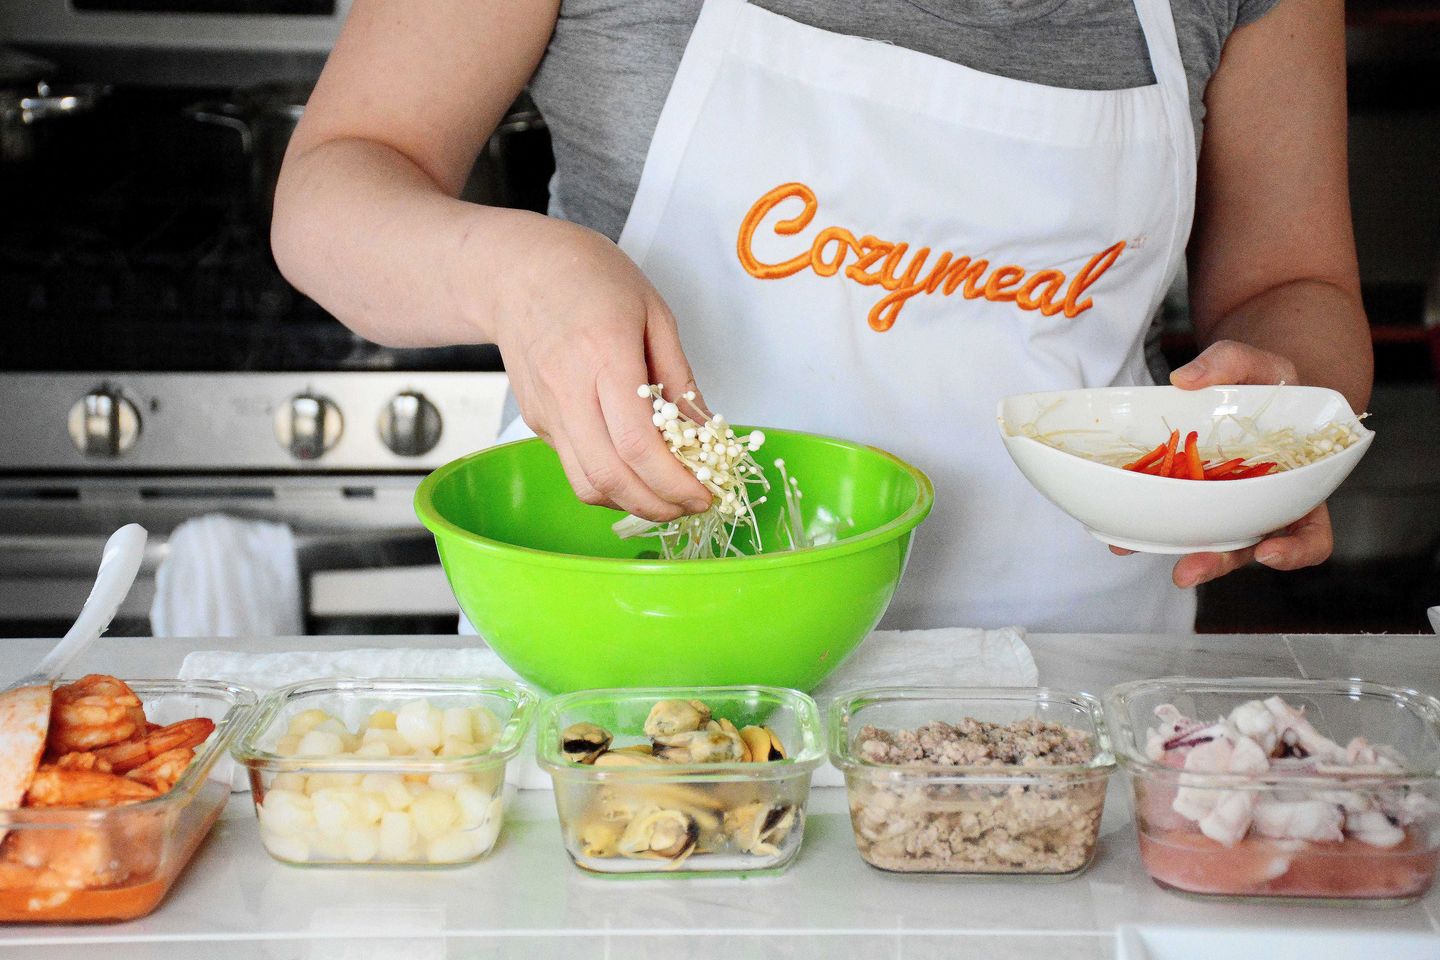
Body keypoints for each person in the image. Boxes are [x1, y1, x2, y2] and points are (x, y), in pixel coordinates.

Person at [272, 0, 1372, 632]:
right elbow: (332, 193)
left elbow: (1296, 287)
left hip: (1067, 697)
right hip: (632, 677)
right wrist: (516, 271)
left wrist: (1281, 423)